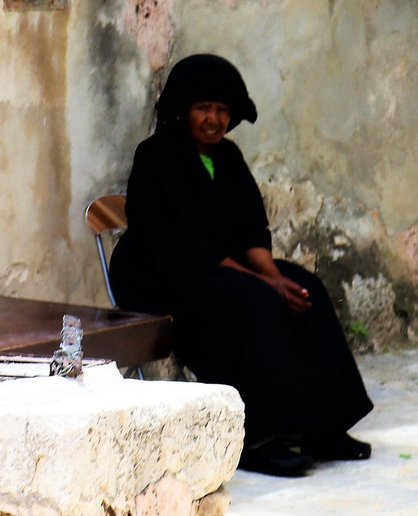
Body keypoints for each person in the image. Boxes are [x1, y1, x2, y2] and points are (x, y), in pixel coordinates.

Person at [109, 54, 373, 477]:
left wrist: (276, 278)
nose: (213, 119)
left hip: (217, 271)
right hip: (161, 277)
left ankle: (323, 426)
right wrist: (266, 285)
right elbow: (190, 243)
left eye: (221, 109)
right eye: (203, 108)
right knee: (254, 299)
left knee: (305, 287)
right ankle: (256, 437)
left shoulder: (228, 157)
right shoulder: (156, 156)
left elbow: (252, 230)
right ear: (183, 109)